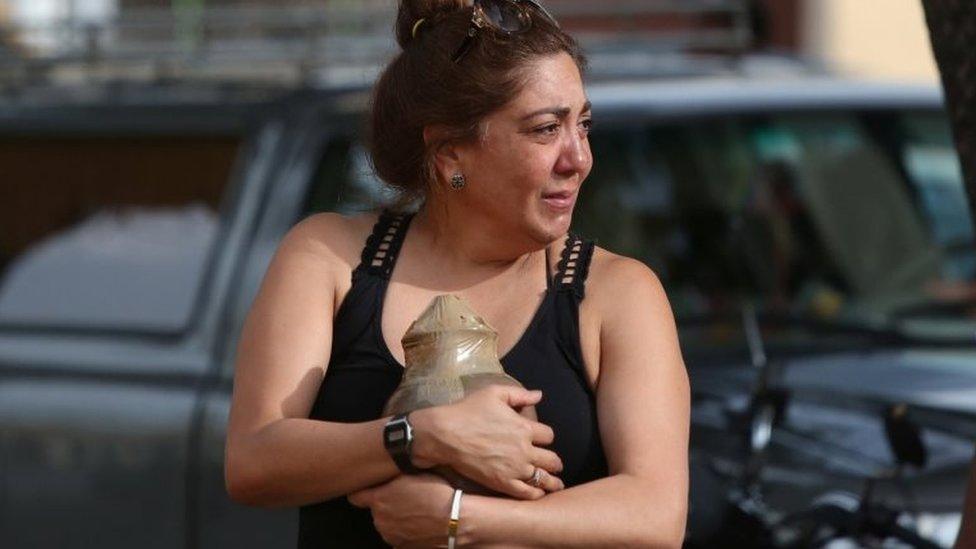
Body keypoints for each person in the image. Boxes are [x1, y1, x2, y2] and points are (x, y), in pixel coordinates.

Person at [223, 0, 690, 547]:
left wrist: (457, 519)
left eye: (583, 124)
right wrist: (421, 437)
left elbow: (657, 515)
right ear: (450, 153)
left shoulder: (616, 293)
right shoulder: (330, 257)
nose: (579, 158)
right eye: (546, 129)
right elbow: (252, 461)